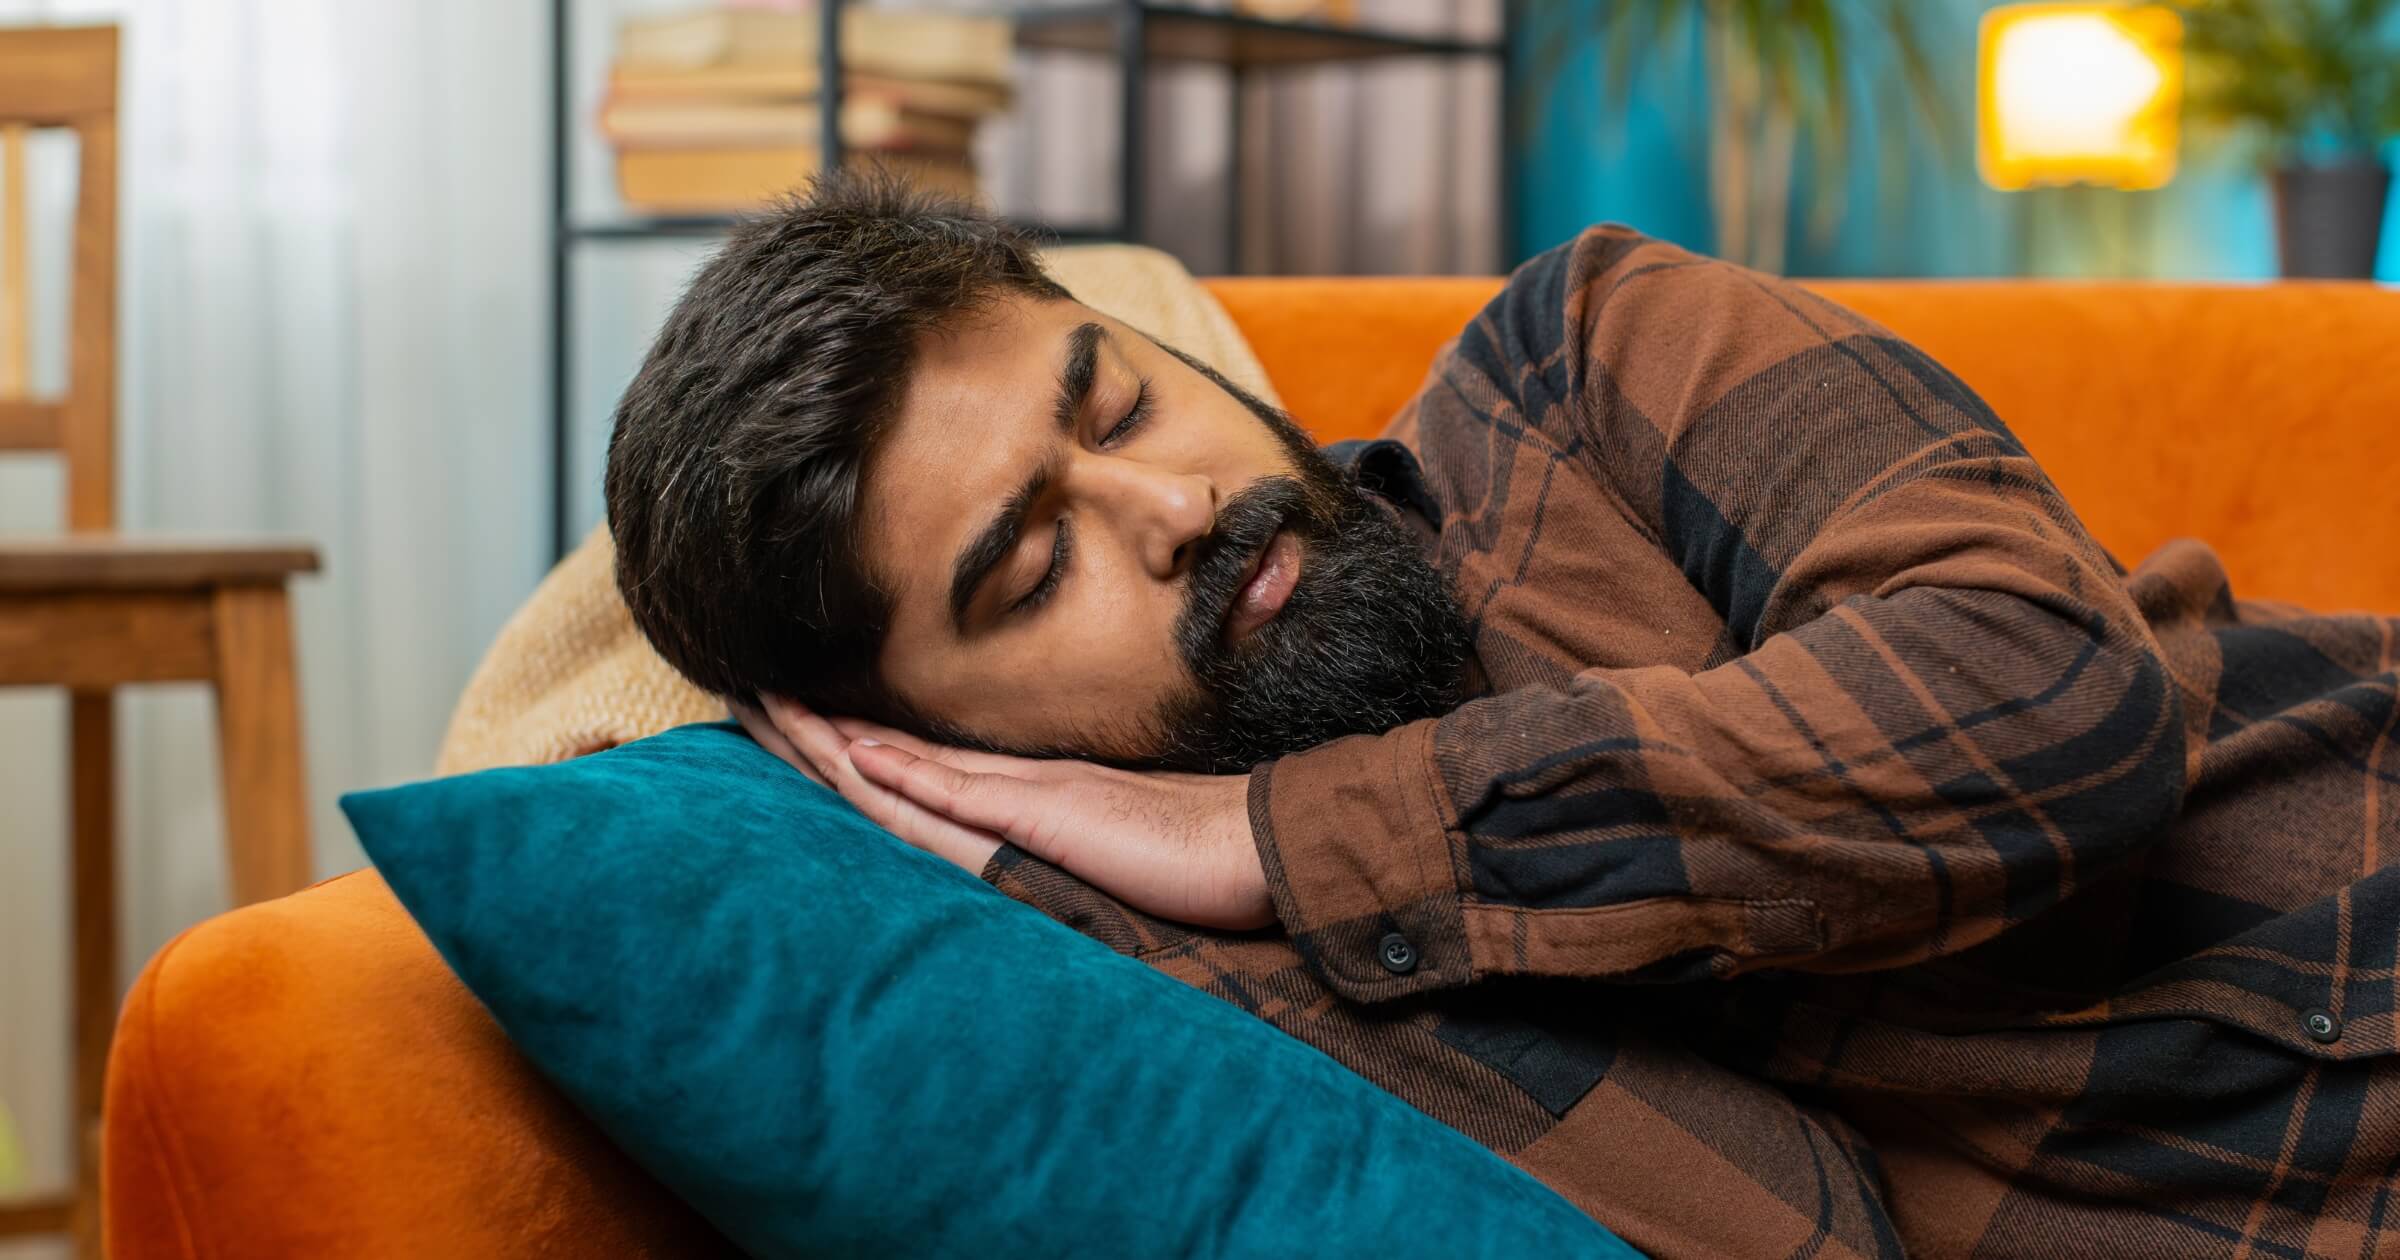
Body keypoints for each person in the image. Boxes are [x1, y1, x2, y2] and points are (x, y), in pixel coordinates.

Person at [605, 171, 2400, 1259]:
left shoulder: (1582, 356)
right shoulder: (1195, 952)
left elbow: (2047, 691)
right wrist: (1212, 916)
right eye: (1031, 567)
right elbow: (1794, 1229)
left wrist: (1296, 841)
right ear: (948, 740)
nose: (1174, 509)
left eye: (1122, 406)